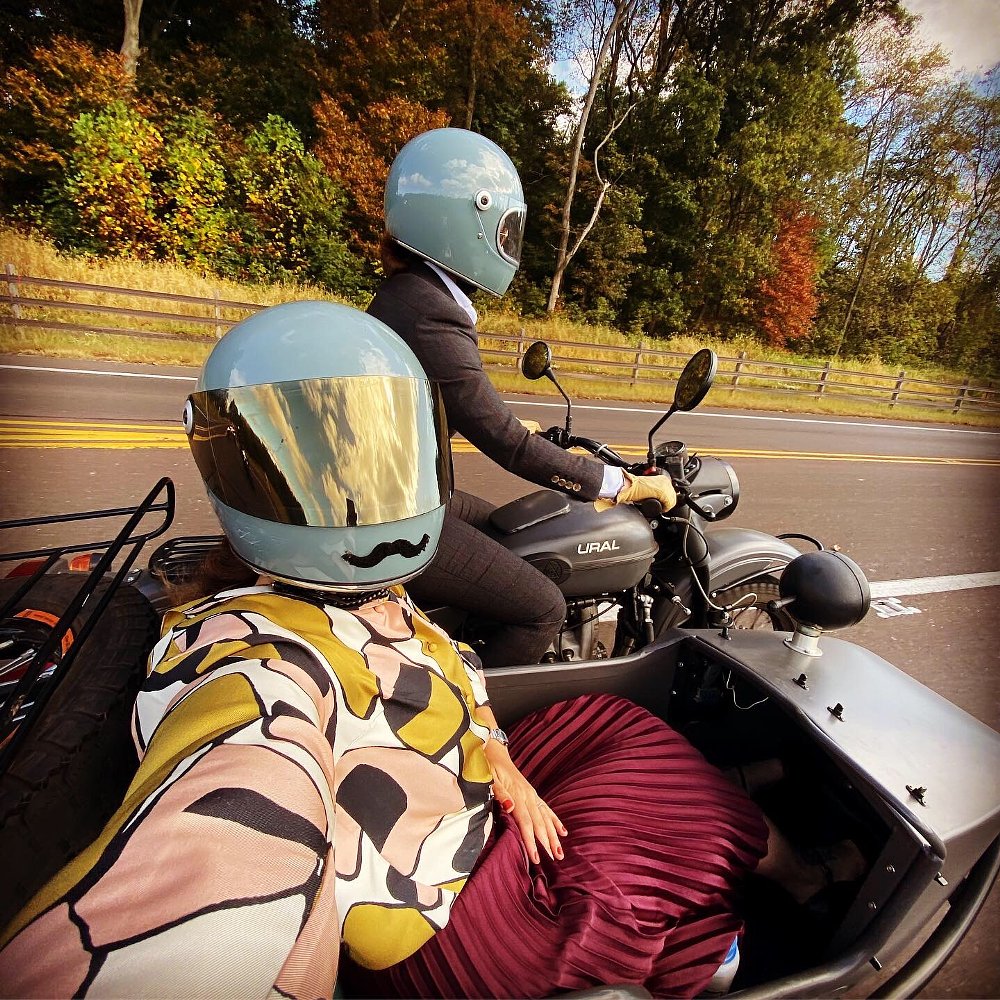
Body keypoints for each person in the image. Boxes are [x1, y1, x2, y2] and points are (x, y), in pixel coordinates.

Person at [0, 303, 862, 1000]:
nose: (357, 494)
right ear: (241, 467)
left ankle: (726, 840)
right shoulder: (249, 658)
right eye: (315, 464)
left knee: (606, 716)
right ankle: (751, 917)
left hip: (466, 788)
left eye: (378, 453)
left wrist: (504, 764)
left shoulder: (353, 586)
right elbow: (227, 828)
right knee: (679, 804)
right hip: (442, 927)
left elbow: (449, 671)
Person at [368, 127, 676, 668]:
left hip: (402, 492)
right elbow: (505, 444)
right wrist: (619, 484)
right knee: (541, 606)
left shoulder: (411, 295)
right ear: (467, 220)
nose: (508, 243)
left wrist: (508, 427)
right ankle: (471, 723)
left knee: (517, 537)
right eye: (505, 229)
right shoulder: (428, 310)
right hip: (392, 516)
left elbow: (445, 402)